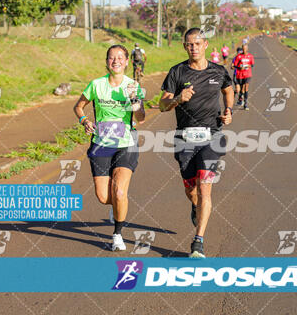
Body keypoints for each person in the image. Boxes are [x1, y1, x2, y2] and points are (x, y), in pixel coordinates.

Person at [159, 28, 234, 258]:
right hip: (185, 138)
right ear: (185, 47)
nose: (194, 47)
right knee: (191, 189)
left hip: (212, 137)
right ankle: (195, 206)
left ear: (205, 45)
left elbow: (228, 90)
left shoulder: (218, 71)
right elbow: (162, 105)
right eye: (190, 44)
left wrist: (229, 110)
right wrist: (178, 98)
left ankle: (198, 241)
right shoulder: (177, 72)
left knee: (204, 187)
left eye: (198, 43)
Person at [73, 45, 145, 251]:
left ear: (127, 62)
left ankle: (117, 234)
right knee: (104, 197)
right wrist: (85, 120)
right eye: (112, 58)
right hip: (101, 144)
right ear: (107, 62)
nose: (116, 61)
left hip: (126, 143)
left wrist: (135, 100)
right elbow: (78, 107)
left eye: (120, 57)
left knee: (120, 191)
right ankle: (117, 207)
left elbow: (141, 118)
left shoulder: (133, 85)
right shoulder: (96, 85)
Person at [232, 43, 254, 110]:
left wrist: (247, 66)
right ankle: (239, 97)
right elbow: (234, 65)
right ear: (242, 49)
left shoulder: (250, 56)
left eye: (245, 49)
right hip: (239, 74)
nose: (244, 50)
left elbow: (252, 65)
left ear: (247, 49)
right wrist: (239, 68)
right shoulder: (239, 56)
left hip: (247, 74)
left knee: (245, 88)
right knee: (240, 90)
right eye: (243, 49)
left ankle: (245, 104)